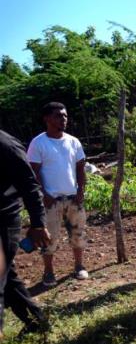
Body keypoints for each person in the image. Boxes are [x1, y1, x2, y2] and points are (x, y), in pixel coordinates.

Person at [26, 102, 89, 286]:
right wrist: (44, 195)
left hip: (73, 198)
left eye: (65, 116)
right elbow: (34, 173)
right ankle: (48, 272)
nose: (63, 119)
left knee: (78, 234)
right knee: (49, 238)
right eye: (58, 116)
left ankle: (79, 266)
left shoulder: (73, 141)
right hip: (50, 200)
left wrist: (80, 191)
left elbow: (80, 168)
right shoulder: (38, 143)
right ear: (46, 118)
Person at [1, 129, 51, 336]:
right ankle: (37, 322)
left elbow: (29, 185)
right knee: (7, 277)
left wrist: (38, 224)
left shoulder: (6, 144)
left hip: (3, 220)